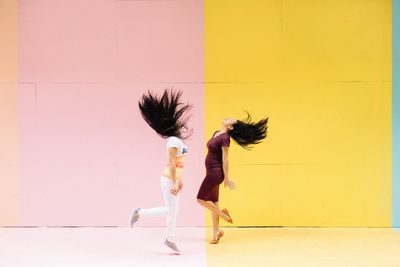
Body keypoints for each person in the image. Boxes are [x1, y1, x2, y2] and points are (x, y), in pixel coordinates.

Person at [130, 89, 191, 254]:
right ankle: (140, 213)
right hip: (168, 179)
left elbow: (179, 163)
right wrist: (174, 181)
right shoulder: (172, 141)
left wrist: (180, 179)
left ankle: (170, 239)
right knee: (171, 210)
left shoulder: (177, 140)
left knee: (173, 211)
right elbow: (171, 162)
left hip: (173, 178)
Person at [197, 113, 268, 244]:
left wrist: (227, 178)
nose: (227, 118)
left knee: (200, 199)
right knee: (213, 202)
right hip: (211, 171)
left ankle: (224, 215)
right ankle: (216, 233)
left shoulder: (225, 138)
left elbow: (225, 159)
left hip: (216, 172)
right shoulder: (217, 133)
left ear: (230, 127)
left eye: (230, 120)